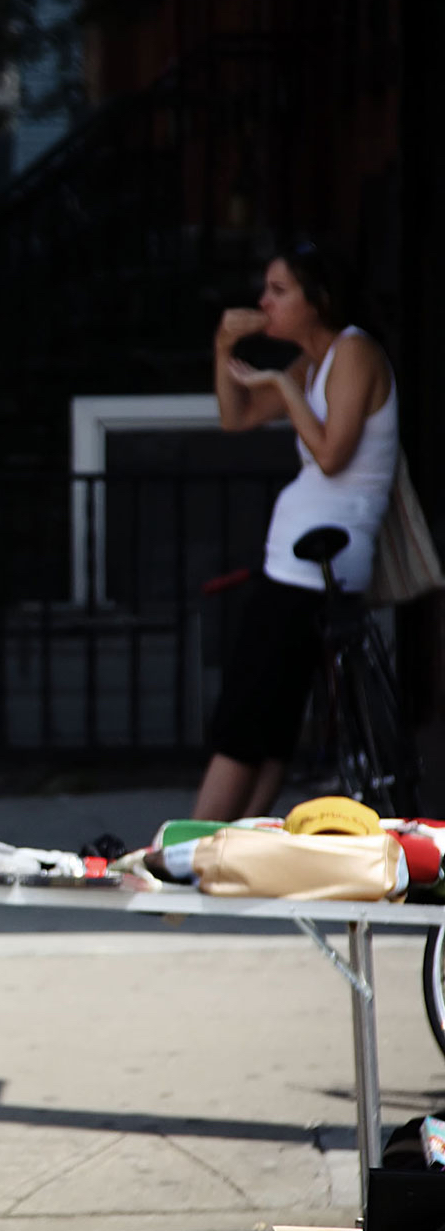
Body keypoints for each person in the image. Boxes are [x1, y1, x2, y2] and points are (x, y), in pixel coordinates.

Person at [193, 244, 399, 821]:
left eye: (280, 291)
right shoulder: (312, 363)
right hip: (298, 563)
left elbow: (332, 455)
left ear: (319, 300)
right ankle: (232, 837)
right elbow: (235, 416)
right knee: (272, 713)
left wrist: (284, 389)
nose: (264, 302)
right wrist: (223, 348)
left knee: (246, 712)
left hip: (314, 565)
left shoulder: (353, 351)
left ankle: (191, 845)